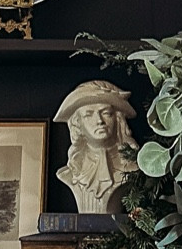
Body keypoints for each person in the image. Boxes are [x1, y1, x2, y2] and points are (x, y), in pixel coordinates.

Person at [55, 78, 138, 215]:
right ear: (78, 124)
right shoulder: (69, 174)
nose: (99, 121)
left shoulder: (133, 169)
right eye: (89, 114)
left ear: (118, 120)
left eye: (106, 113)